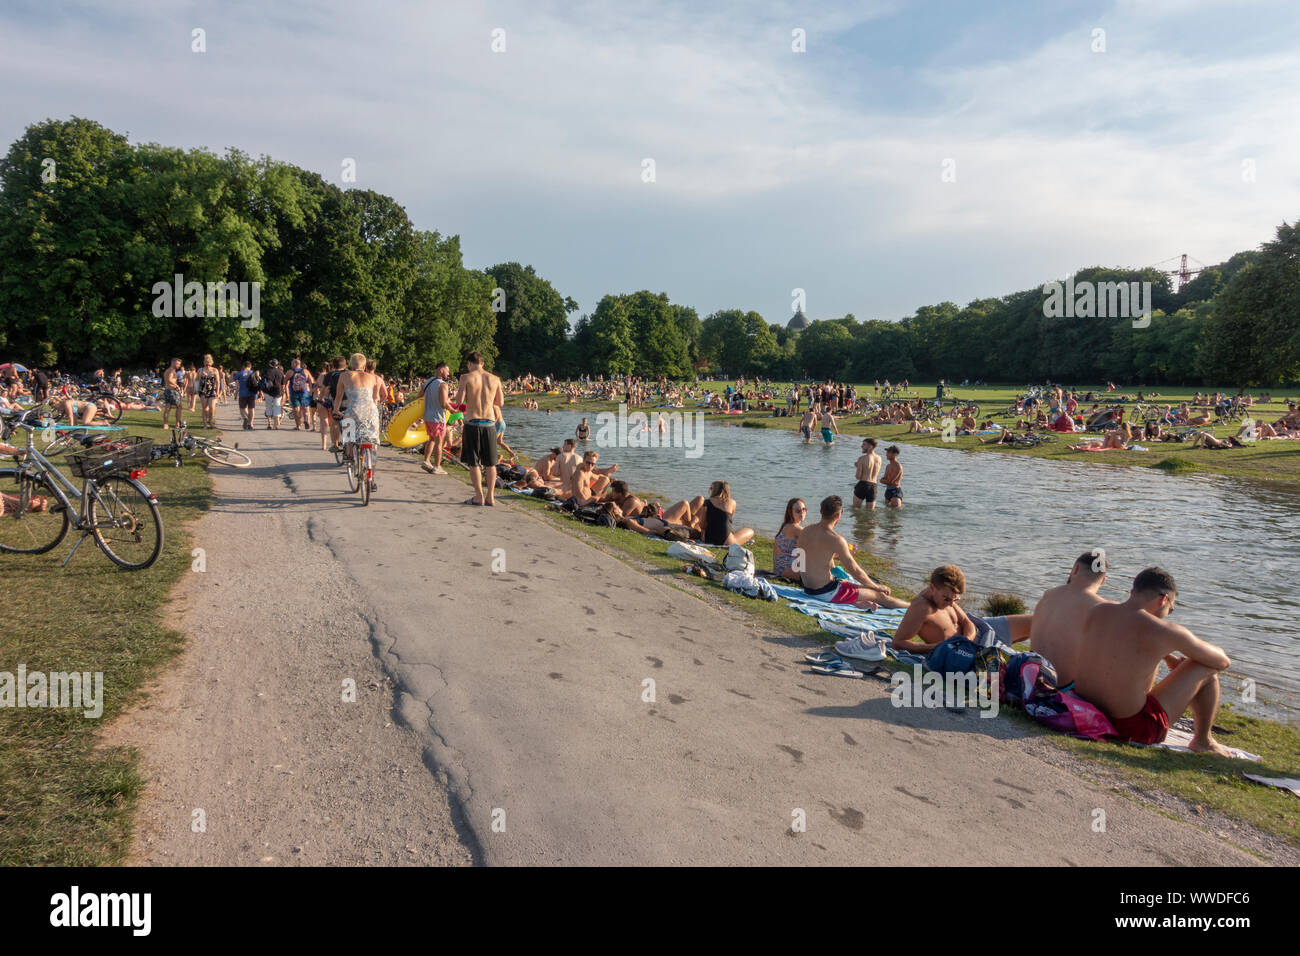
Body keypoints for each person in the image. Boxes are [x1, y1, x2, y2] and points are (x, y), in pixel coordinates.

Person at [1074, 568, 1232, 754]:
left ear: (1133, 592)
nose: (1168, 613)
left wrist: (1167, 656)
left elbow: (1123, 645)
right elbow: (1222, 662)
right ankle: (1203, 741)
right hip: (1130, 729)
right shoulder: (1164, 631)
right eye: (1170, 609)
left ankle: (1204, 740)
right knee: (1204, 666)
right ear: (1163, 599)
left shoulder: (1098, 610)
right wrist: (1188, 658)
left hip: (1083, 709)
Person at [796, 495, 904, 608]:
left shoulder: (805, 531)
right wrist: (875, 587)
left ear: (820, 511)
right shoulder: (836, 539)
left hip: (808, 589)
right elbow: (855, 570)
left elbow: (801, 561)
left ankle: (855, 602)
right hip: (826, 593)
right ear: (838, 515)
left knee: (844, 581)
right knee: (880, 596)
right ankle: (914, 607)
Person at [1027, 551, 1111, 686]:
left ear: (1075, 569)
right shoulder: (1100, 607)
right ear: (1102, 581)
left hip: (1029, 673)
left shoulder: (1048, 594)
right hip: (1061, 686)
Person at [890, 565, 976, 652]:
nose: (951, 604)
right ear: (932, 588)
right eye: (946, 599)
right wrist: (939, 647)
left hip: (972, 642)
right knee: (917, 666)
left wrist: (967, 640)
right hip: (956, 653)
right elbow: (897, 643)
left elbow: (966, 621)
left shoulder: (946, 596)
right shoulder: (921, 607)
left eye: (955, 599)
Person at [457, 351, 504, 506]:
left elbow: (459, 401)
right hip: (490, 423)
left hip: (473, 423)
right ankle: (491, 496)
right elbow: (500, 402)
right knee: (491, 463)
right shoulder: (495, 379)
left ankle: (479, 496)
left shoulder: (466, 377)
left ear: (469, 364)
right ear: (482, 363)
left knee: (474, 463)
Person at [332, 353, 384, 490]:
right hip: (370, 412)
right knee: (372, 444)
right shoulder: (374, 378)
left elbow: (338, 397)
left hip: (353, 411)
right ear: (364, 365)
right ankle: (371, 480)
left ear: (350, 364)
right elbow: (375, 398)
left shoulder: (345, 376)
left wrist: (336, 410)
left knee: (348, 428)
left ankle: (349, 453)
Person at [420, 362, 452, 475]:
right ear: (441, 370)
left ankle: (426, 461)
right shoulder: (442, 384)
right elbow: (443, 403)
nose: (448, 374)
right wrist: (452, 409)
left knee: (431, 440)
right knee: (439, 442)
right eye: (447, 371)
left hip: (427, 416)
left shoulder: (427, 382)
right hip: (438, 417)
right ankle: (437, 467)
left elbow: (419, 398)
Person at [700, 481, 754, 546]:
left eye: (711, 488)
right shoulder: (732, 502)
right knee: (750, 531)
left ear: (714, 490)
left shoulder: (706, 502)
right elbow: (728, 522)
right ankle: (733, 538)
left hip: (708, 539)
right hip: (726, 541)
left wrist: (703, 534)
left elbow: (702, 525)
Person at [772, 498, 807, 582]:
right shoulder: (794, 528)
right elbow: (816, 540)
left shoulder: (787, 525)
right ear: (790, 512)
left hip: (780, 569)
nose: (802, 512)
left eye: (804, 509)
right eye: (798, 510)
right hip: (785, 570)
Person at [853, 437, 881, 509]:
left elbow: (858, 476)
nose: (861, 446)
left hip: (863, 485)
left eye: (864, 445)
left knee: (855, 510)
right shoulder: (879, 458)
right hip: (873, 486)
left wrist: (858, 466)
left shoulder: (862, 459)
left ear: (870, 446)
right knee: (870, 512)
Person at [286, 358, 314, 431]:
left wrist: (286, 392)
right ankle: (306, 420)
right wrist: (311, 390)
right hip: (304, 392)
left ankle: (298, 425)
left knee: (296, 409)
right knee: (306, 408)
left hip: (294, 393)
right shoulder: (305, 371)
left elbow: (284, 382)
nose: (291, 365)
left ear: (295, 364)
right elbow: (312, 381)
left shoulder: (290, 372)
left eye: (292, 364)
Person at [196, 354, 220, 428]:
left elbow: (218, 382)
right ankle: (205, 424)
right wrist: (196, 390)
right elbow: (197, 381)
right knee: (205, 408)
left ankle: (210, 420)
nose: (207, 366)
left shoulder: (215, 370)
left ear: (211, 363)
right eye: (206, 364)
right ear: (204, 363)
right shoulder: (200, 370)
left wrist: (218, 392)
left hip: (212, 390)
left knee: (212, 407)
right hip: (203, 390)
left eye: (209, 364)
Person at [261, 359, 286, 429]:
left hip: (269, 392)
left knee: (268, 407)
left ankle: (269, 423)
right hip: (278, 392)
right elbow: (283, 384)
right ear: (277, 365)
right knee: (277, 407)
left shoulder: (268, 371)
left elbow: (265, 382)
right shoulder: (281, 372)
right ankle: (276, 425)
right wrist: (283, 392)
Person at [160, 358, 183, 429]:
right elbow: (170, 380)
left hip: (167, 390)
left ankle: (165, 424)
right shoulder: (171, 370)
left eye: (179, 364)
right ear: (172, 363)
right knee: (179, 407)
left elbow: (166, 380)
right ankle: (177, 424)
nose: (178, 365)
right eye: (177, 364)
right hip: (172, 390)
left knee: (167, 408)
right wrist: (177, 386)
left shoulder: (167, 370)